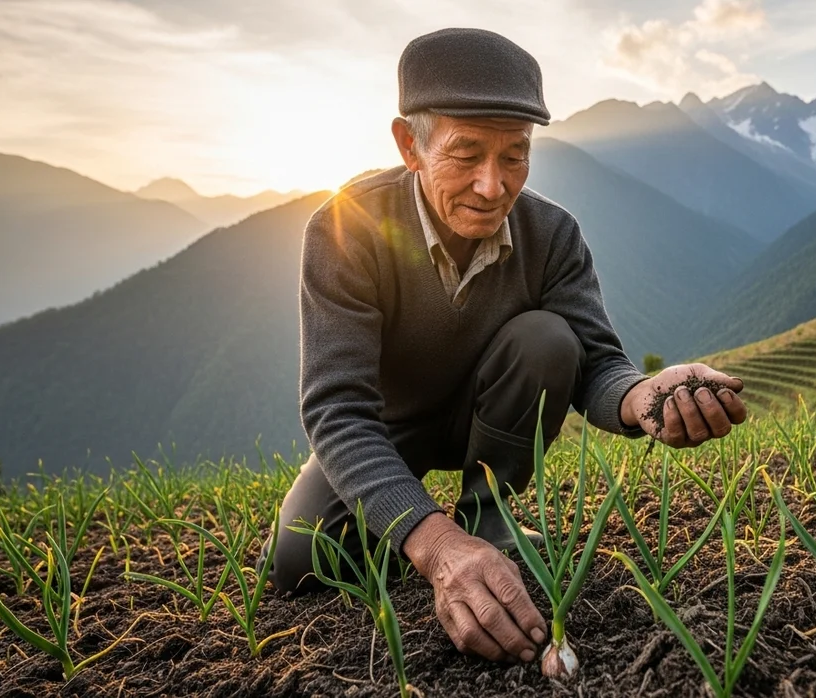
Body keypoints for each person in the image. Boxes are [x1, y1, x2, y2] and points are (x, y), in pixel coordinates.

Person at [262, 27, 748, 665]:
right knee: (303, 563)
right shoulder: (345, 228)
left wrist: (644, 396)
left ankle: (487, 517)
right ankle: (438, 534)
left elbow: (598, 364)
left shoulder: (551, 235)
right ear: (410, 144)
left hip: (494, 419)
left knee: (549, 337)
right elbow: (337, 410)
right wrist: (432, 546)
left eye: (514, 156)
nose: (493, 186)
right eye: (466, 155)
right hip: (388, 428)